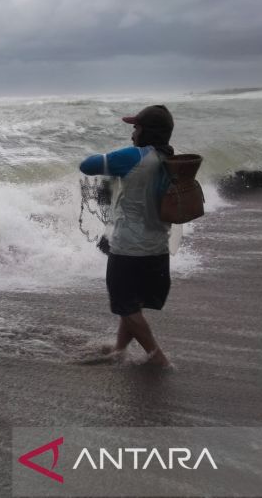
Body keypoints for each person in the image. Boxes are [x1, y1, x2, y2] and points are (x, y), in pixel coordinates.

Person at [79, 105, 175, 367]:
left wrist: (114, 156)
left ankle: (157, 357)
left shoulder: (133, 157)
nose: (133, 132)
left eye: (136, 127)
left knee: (126, 306)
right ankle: (120, 350)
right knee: (132, 305)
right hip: (159, 247)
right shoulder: (172, 160)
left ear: (146, 131)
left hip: (128, 248)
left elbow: (87, 166)